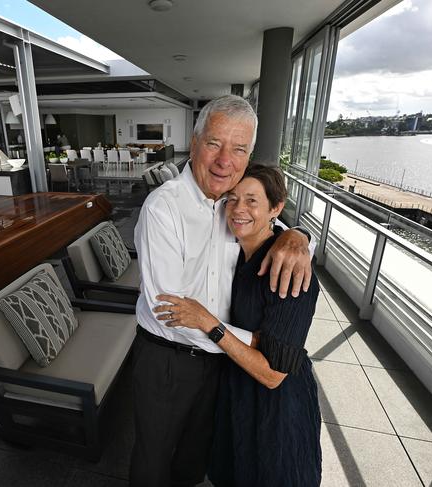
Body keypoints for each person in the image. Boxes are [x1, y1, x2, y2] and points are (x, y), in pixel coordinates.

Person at [131, 95, 312, 487]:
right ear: (194, 143)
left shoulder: (235, 206)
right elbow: (171, 313)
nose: (223, 160)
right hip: (168, 359)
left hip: (222, 361)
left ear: (249, 156)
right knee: (153, 460)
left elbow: (268, 222)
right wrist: (257, 346)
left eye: (239, 148)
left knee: (198, 455)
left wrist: (298, 236)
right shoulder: (164, 208)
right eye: (214, 143)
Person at [155, 165, 322, 487]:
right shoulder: (239, 253)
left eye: (252, 201)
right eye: (232, 199)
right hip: (237, 387)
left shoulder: (287, 273)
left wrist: (208, 322)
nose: (239, 209)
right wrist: (296, 232)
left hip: (278, 405)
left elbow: (274, 376)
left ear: (276, 208)